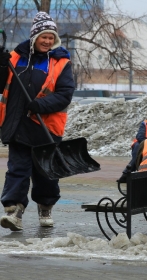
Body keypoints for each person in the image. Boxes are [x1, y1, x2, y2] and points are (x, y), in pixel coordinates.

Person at [0, 12, 75, 231]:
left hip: (46, 127)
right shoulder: (16, 57)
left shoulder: (60, 62)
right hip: (17, 124)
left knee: (45, 173)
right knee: (18, 169)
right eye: (44, 36)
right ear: (34, 37)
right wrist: (2, 66)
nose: (48, 41)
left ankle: (45, 207)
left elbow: (65, 94)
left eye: (51, 37)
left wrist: (40, 105)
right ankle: (14, 211)